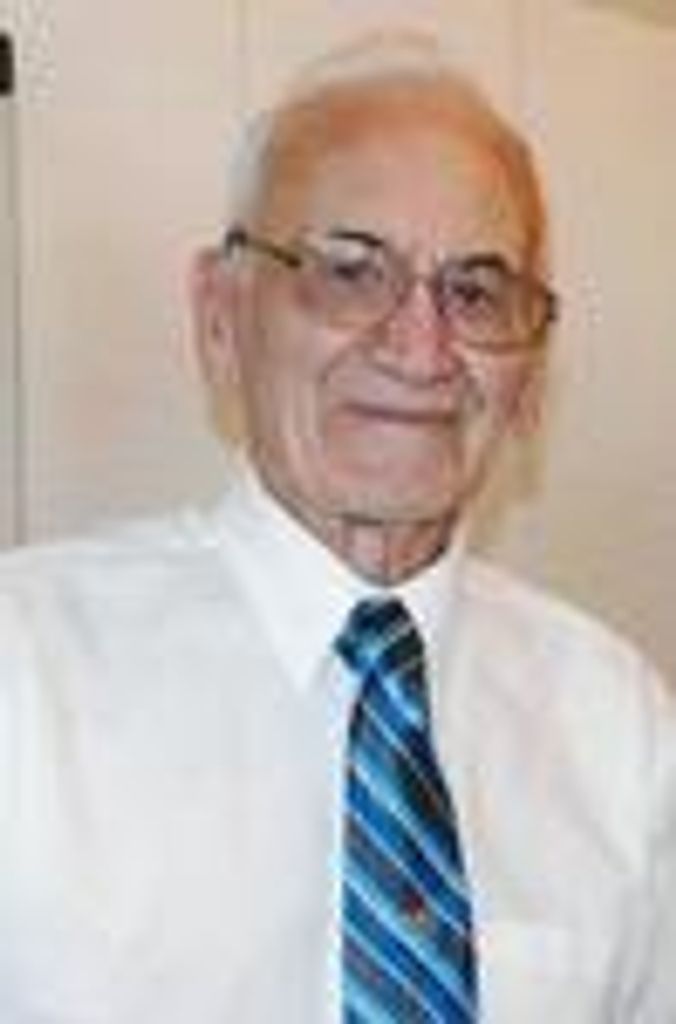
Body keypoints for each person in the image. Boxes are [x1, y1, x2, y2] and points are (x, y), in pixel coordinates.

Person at [0, 43, 674, 1024]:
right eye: (351, 272)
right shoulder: (22, 673)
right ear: (222, 315)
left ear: (529, 370)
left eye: (476, 291)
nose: (421, 348)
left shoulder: (618, 728)